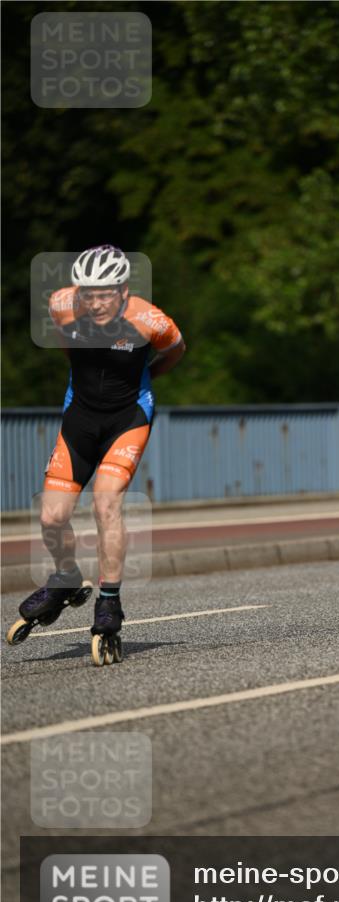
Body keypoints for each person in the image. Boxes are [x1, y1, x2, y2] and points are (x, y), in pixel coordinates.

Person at [7, 245, 185, 660]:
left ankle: (109, 599)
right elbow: (70, 351)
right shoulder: (61, 305)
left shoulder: (149, 318)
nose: (96, 301)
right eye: (89, 292)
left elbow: (175, 351)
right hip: (81, 417)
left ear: (124, 290)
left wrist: (146, 377)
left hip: (128, 419)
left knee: (106, 503)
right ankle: (67, 578)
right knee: (52, 516)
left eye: (106, 293)